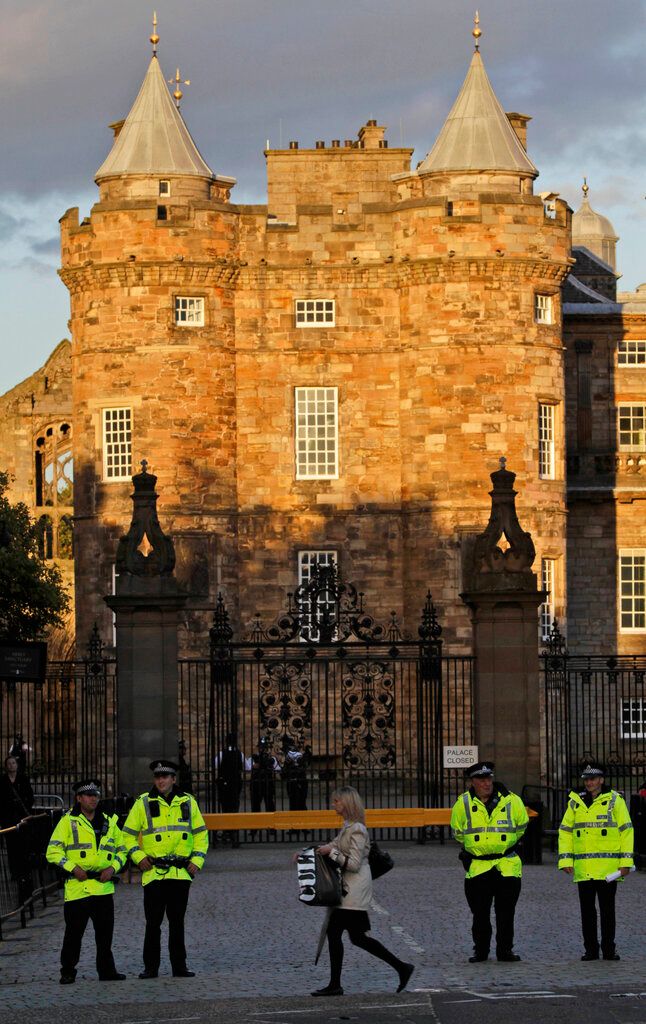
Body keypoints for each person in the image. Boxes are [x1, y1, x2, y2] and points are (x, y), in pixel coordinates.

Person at [310, 786, 414, 997]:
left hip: (354, 890)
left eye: (336, 801)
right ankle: (402, 967)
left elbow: (354, 863)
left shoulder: (358, 829)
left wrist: (333, 853)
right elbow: (334, 844)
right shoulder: (348, 826)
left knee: (339, 933)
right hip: (350, 889)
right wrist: (312, 852)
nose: (333, 805)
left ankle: (335, 985)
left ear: (346, 803)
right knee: (357, 938)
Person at [122, 758, 208, 979]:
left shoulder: (188, 801)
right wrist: (139, 857)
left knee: (177, 923)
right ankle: (151, 967)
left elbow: (200, 835)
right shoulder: (142, 803)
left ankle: (179, 966)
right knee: (153, 923)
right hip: (154, 873)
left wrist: (196, 861)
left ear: (173, 779)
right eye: (158, 777)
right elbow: (127, 836)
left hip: (180, 872)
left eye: (165, 777)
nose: (161, 780)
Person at [45, 779, 127, 984]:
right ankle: (68, 970)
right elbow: (52, 851)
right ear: (79, 798)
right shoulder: (67, 821)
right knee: (73, 934)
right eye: (89, 795)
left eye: (96, 795)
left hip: (102, 886)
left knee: (105, 936)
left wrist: (113, 868)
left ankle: (107, 971)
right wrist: (73, 868)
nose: (93, 799)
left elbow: (123, 850)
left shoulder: (109, 821)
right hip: (77, 887)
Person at [450, 761, 528, 963]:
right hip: (478, 866)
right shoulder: (463, 803)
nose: (486, 783)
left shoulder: (512, 801)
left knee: (506, 913)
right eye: (481, 779)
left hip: (507, 865)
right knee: (480, 914)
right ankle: (481, 951)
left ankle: (505, 951)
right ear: (473, 781)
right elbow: (458, 832)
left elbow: (521, 826)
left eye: (488, 779)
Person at [558, 761, 633, 960]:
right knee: (587, 912)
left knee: (608, 911)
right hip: (584, 868)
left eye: (592, 779)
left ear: (601, 780)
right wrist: (565, 859)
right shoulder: (575, 802)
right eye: (586, 779)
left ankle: (609, 949)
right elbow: (565, 831)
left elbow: (626, 831)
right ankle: (590, 949)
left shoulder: (615, 800)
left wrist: (626, 861)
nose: (589, 783)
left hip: (608, 869)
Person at [0, 754, 35, 905]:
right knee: (11, 845)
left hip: (22, 819)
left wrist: (24, 806)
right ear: (6, 766)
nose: (12, 765)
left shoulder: (23, 779)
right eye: (9, 763)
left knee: (23, 846)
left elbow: (30, 797)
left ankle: (25, 872)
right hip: (8, 819)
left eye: (14, 763)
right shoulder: (2, 781)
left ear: (17, 765)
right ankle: (15, 871)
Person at [215, 733, 245, 847]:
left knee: (225, 808)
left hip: (224, 784)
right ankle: (233, 833)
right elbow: (247, 766)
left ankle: (227, 831)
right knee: (234, 807)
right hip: (236, 784)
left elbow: (215, 764)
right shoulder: (239, 754)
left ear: (226, 741)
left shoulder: (222, 753)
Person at [250, 737, 280, 812]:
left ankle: (270, 820)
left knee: (269, 804)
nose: (262, 749)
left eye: (264, 747)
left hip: (267, 784)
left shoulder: (271, 758)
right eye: (261, 747)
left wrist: (270, 765)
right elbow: (248, 768)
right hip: (257, 784)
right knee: (255, 805)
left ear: (267, 748)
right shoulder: (254, 758)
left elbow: (278, 770)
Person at [281, 738, 310, 811]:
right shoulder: (290, 757)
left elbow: (303, 765)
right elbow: (283, 774)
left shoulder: (296, 755)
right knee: (296, 804)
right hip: (293, 782)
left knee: (299, 804)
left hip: (299, 782)